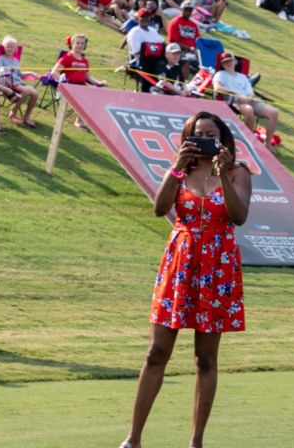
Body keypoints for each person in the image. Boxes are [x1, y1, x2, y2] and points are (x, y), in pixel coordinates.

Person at [120, 112, 252, 448]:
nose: (205, 140)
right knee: (156, 352)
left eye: (211, 134)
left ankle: (196, 442)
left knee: (205, 358)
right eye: (198, 135)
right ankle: (133, 439)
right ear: (187, 139)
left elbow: (238, 216)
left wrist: (222, 176)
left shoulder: (238, 172)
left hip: (217, 268)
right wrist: (177, 167)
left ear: (223, 138)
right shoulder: (181, 170)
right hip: (180, 264)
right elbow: (159, 207)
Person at [213, 53, 279, 152]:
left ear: (235, 62)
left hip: (249, 99)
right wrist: (235, 93)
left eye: (230, 61)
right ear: (222, 65)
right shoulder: (220, 74)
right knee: (249, 110)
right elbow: (217, 88)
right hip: (234, 101)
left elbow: (251, 93)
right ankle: (248, 141)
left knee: (274, 112)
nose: (228, 63)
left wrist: (248, 99)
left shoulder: (242, 76)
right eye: (225, 62)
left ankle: (267, 144)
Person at [0, 35, 39, 128]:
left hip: (18, 83)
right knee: (26, 91)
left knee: (35, 93)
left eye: (12, 47)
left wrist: (30, 73)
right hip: (8, 83)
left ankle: (26, 117)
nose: (9, 48)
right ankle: (13, 113)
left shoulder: (15, 60)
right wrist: (8, 80)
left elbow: (20, 74)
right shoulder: (1, 58)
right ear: (4, 48)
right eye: (7, 46)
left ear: (15, 49)